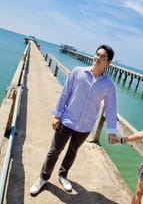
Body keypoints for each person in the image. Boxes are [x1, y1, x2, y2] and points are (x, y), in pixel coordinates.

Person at [30, 44, 118, 195]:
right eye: (97, 54)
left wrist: (111, 131)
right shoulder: (78, 72)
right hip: (67, 120)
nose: (98, 58)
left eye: (102, 56)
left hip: (85, 126)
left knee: (72, 152)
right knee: (54, 151)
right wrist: (57, 115)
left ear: (108, 62)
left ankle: (63, 175)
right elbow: (65, 94)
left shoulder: (108, 85)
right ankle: (43, 178)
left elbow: (111, 108)